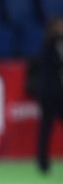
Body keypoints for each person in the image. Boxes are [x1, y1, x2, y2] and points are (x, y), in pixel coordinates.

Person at [35, 18, 63, 174]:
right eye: (59, 26)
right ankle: (43, 162)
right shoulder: (48, 46)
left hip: (61, 95)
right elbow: (51, 65)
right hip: (50, 95)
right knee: (46, 129)